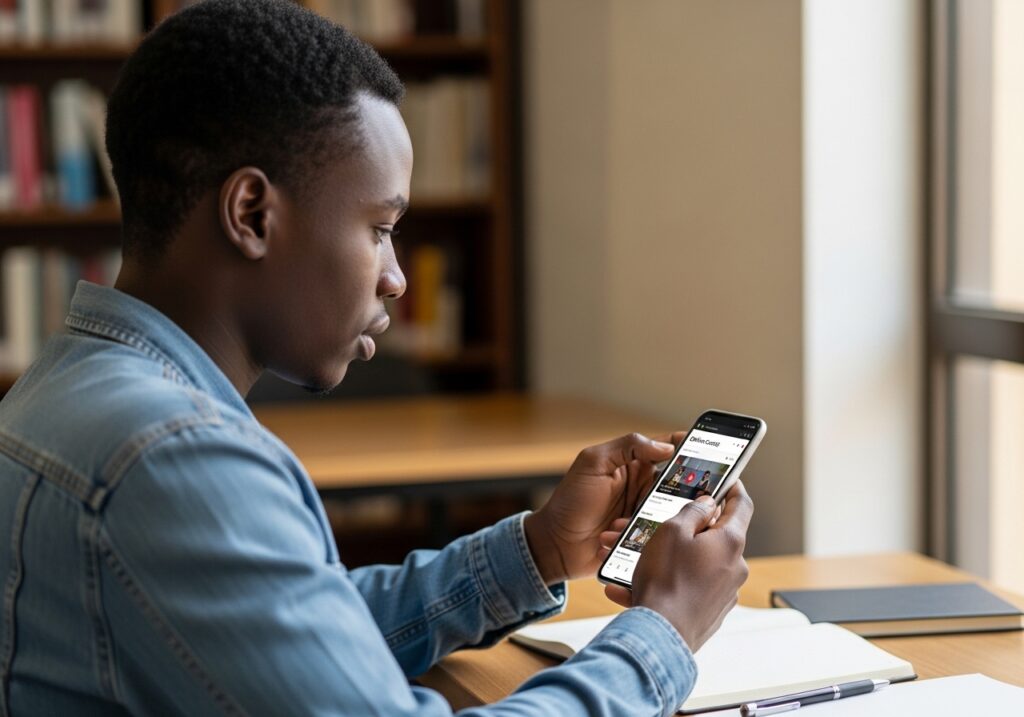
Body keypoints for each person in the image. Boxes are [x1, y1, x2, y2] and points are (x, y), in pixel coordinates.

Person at [0, 2, 753, 715]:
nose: (395, 276)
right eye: (379, 227)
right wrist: (666, 629)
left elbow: (289, 634)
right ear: (252, 214)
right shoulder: (172, 458)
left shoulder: (66, 385)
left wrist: (539, 548)